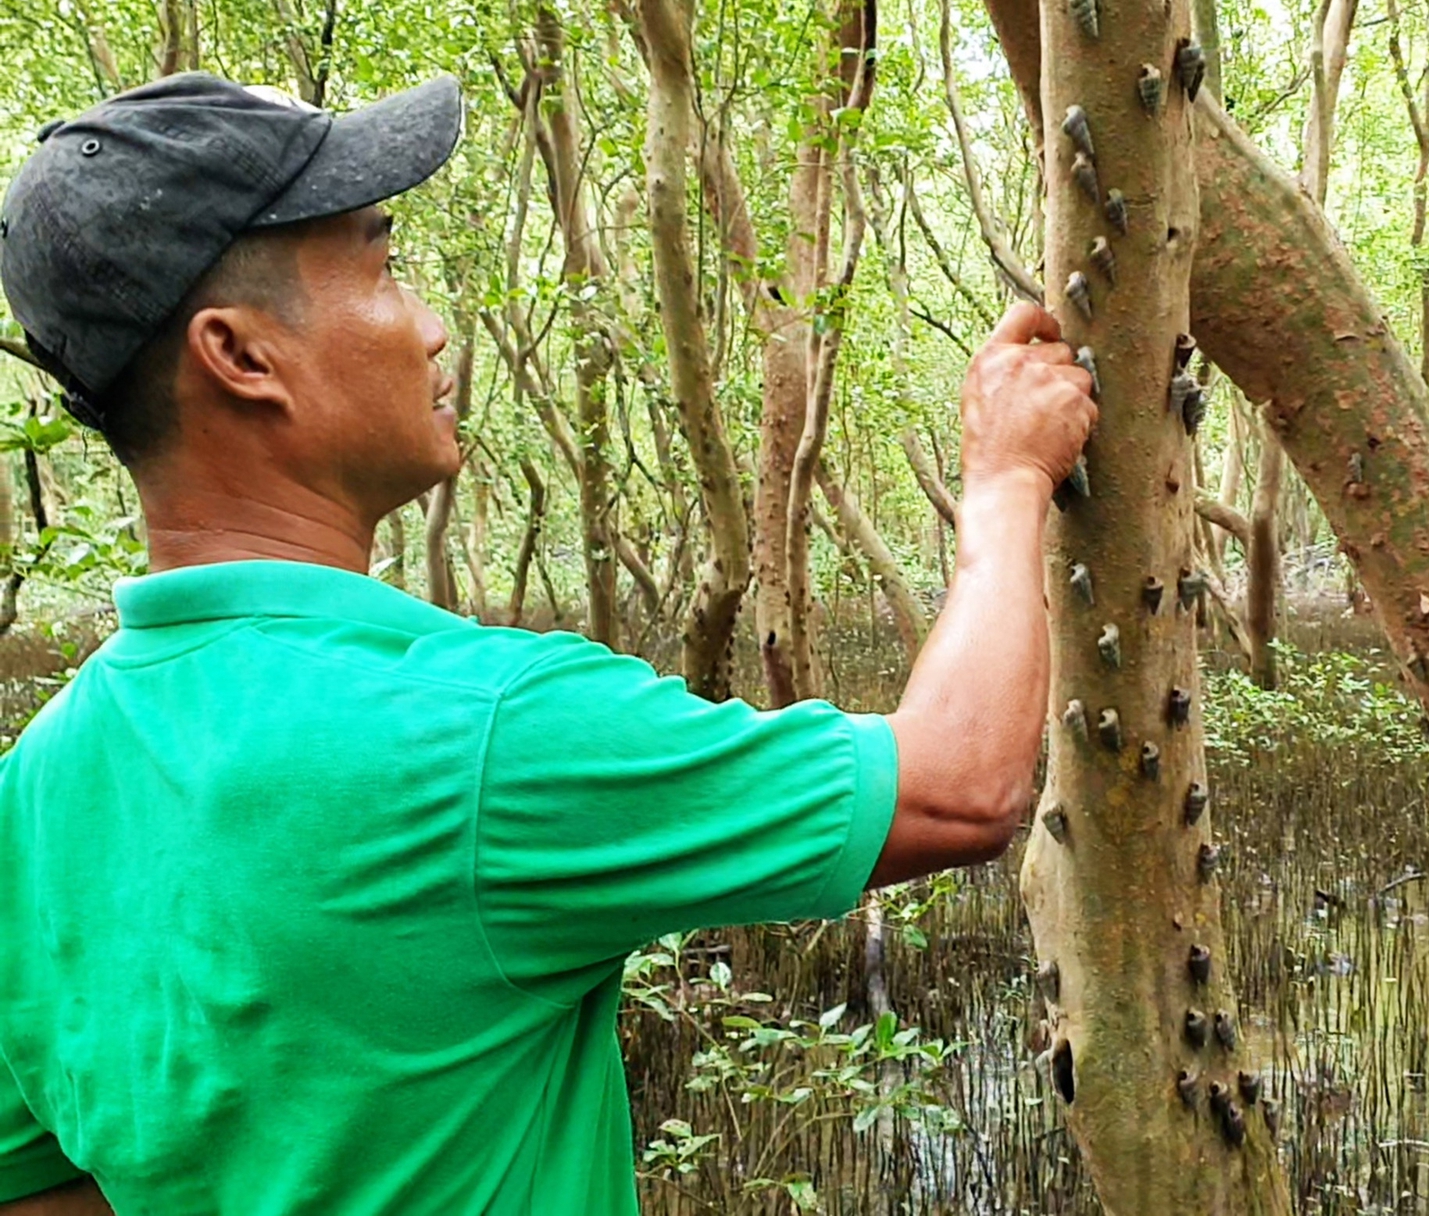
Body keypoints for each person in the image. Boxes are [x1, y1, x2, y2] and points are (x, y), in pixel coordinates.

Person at [0, 73, 1095, 1214]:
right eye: (379, 267)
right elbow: (960, 785)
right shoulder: (477, 731)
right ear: (242, 357)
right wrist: (1006, 477)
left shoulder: (30, 795)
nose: (428, 326)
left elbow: (35, 1189)